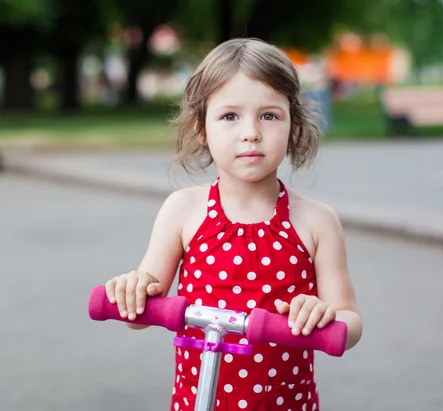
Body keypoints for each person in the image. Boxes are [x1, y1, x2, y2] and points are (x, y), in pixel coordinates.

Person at [104, 37, 363, 411]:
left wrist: (324, 316)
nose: (251, 133)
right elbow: (140, 315)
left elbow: (349, 322)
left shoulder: (316, 221)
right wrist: (133, 290)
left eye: (269, 115)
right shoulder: (183, 211)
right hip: (200, 401)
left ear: (293, 125)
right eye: (230, 116)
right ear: (201, 128)